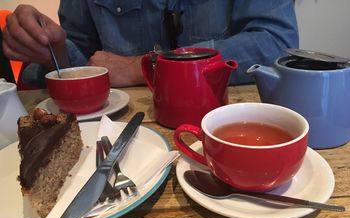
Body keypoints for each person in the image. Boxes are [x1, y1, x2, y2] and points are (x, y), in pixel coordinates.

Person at [2, 0, 298, 88]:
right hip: (116, 133)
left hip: (224, 120)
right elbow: (83, 57)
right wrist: (53, 50)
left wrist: (143, 67)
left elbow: (274, 43)